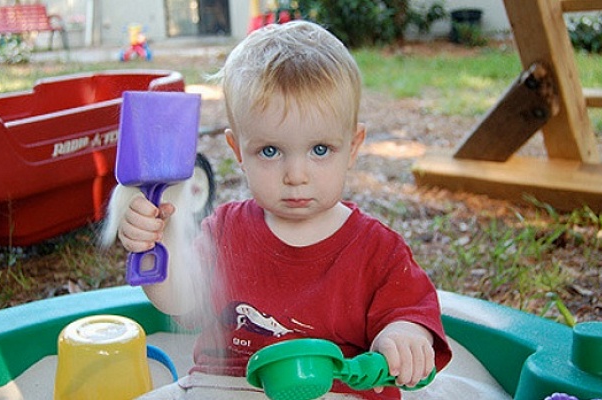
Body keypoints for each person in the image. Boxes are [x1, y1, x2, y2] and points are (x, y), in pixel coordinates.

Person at [108, 20, 452, 399]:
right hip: (227, 385)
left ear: (353, 147)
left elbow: (412, 315)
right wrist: (155, 247)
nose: (296, 175)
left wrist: (402, 336)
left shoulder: (378, 250)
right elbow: (182, 304)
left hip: (337, 390)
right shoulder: (225, 230)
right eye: (270, 151)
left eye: (320, 150)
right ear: (238, 151)